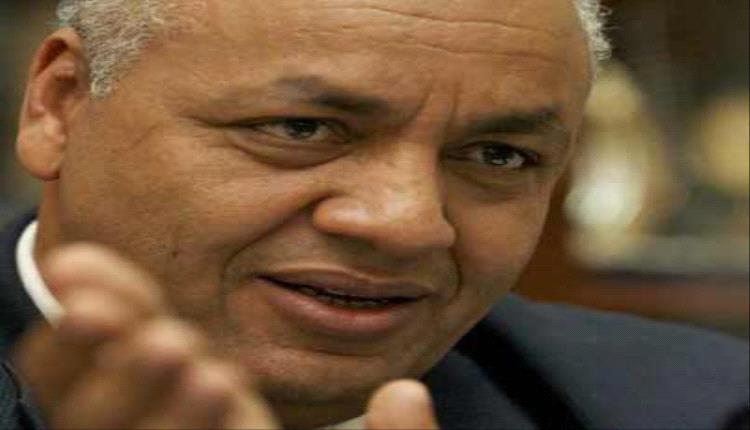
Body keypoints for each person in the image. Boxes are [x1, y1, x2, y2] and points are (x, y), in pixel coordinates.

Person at [0, 0, 747, 429]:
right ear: (60, 106)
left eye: (498, 155)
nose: (408, 222)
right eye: (302, 129)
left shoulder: (702, 409)